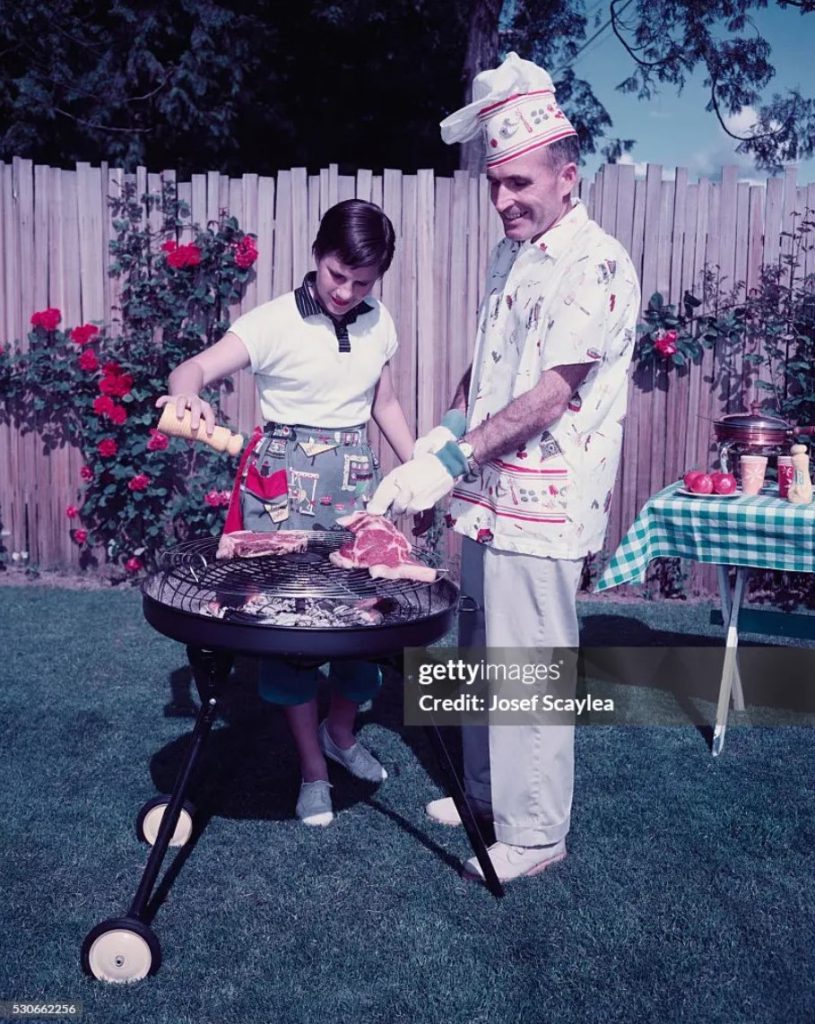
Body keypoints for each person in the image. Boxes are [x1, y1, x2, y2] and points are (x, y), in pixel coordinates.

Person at [368, 53, 641, 883]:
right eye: (494, 184)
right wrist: (446, 429)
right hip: (485, 495)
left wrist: (448, 455)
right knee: (483, 648)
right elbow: (491, 369)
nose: (504, 200)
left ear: (568, 176)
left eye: (519, 183)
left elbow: (551, 393)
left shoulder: (592, 263)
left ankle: (535, 831)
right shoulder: (511, 254)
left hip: (544, 500)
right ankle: (484, 793)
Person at [156, 199, 414, 827]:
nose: (346, 292)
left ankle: (342, 733)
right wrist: (188, 397)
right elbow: (192, 368)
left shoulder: (378, 319)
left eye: (362, 282)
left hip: (355, 485)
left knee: (363, 621)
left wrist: (416, 470)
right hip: (280, 493)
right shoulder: (271, 321)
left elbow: (385, 399)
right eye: (336, 276)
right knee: (291, 632)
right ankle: (313, 768)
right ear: (316, 255)